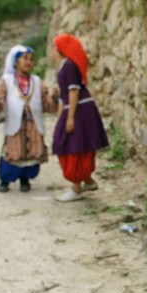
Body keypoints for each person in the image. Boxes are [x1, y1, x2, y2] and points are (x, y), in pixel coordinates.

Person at [0, 44, 57, 192]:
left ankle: (25, 179)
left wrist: (55, 98)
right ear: (16, 61)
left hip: (32, 123)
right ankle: (5, 180)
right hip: (15, 122)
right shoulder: (7, 80)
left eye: (31, 59)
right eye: (25, 59)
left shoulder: (37, 82)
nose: (28, 62)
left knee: (31, 151)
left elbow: (46, 104)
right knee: (13, 151)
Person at [50, 34, 109, 202]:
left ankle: (76, 188)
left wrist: (70, 118)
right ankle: (88, 181)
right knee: (70, 142)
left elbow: (74, 91)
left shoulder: (69, 65)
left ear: (60, 50)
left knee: (75, 146)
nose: (53, 51)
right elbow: (64, 95)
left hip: (80, 110)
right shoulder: (63, 66)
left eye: (55, 48)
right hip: (75, 108)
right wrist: (61, 116)